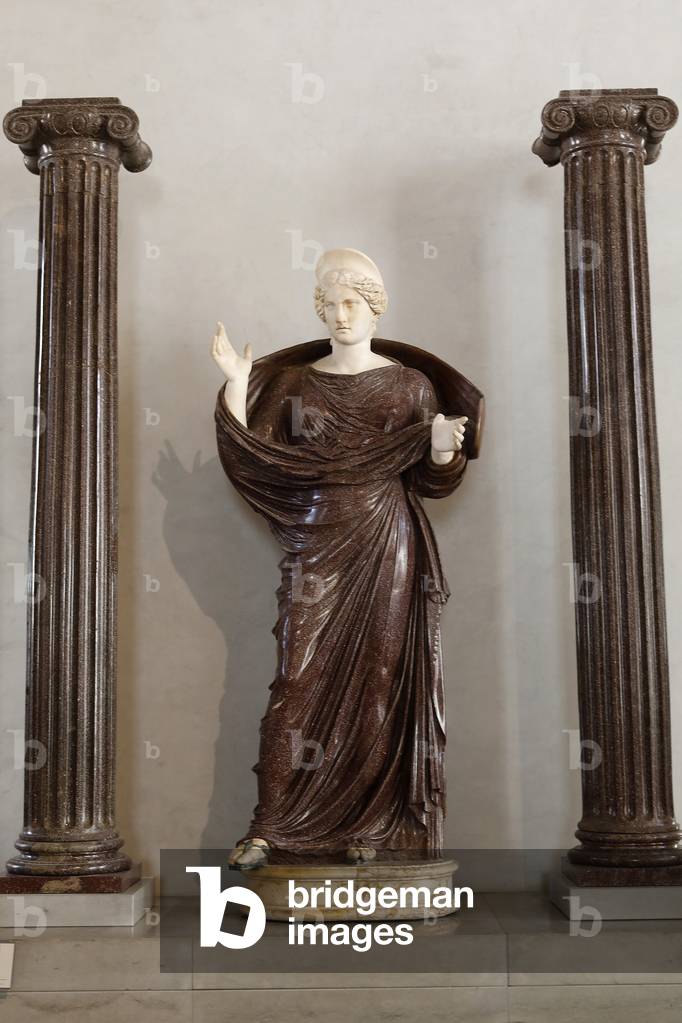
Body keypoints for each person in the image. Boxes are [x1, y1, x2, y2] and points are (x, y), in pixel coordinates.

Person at [212, 249, 478, 869]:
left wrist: (440, 450)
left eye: (351, 303)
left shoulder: (410, 386)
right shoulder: (294, 385)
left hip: (387, 541)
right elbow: (255, 456)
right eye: (328, 305)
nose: (339, 315)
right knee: (296, 678)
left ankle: (372, 825)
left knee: (377, 684)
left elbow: (437, 481)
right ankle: (269, 829)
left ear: (374, 307)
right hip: (314, 542)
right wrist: (233, 383)